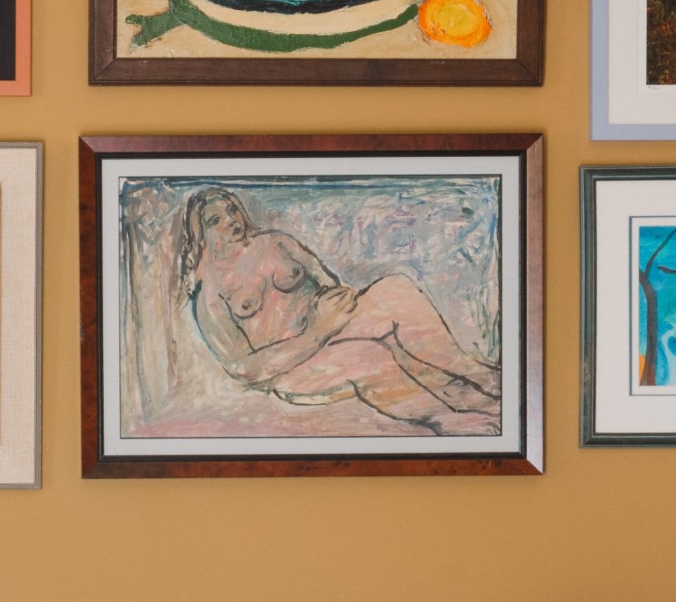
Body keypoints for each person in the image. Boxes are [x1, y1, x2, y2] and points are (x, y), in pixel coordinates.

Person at [172, 185, 496, 434]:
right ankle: (445, 420)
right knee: (369, 355)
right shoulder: (209, 294)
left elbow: (328, 281)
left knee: (396, 289)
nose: (231, 220)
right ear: (201, 236)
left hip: (333, 328)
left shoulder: (276, 243)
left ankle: (476, 379)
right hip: (294, 367)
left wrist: (333, 303)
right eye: (216, 220)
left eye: (231, 210)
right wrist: (316, 332)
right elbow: (244, 369)